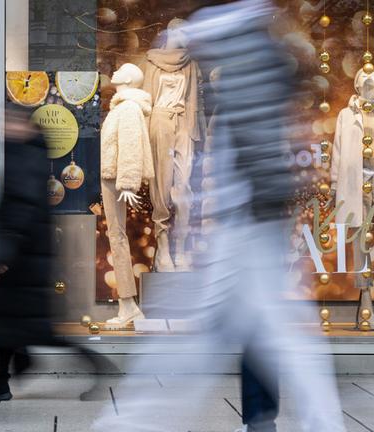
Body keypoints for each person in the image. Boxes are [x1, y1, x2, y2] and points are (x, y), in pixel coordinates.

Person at [92, 1, 346, 431]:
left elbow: (249, 146)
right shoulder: (255, 52)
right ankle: (312, 421)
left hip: (247, 223)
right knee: (271, 331)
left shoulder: (239, 51)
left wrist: (238, 209)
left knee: (225, 334)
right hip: (250, 220)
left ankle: (130, 422)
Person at [0, 108, 112, 402]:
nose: (2, 127)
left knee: (35, 330)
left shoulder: (24, 156)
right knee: (4, 320)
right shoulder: (25, 153)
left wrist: (5, 252)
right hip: (26, 253)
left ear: (24, 127)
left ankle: (98, 366)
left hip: (23, 257)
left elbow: (21, 207)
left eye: (8, 121)